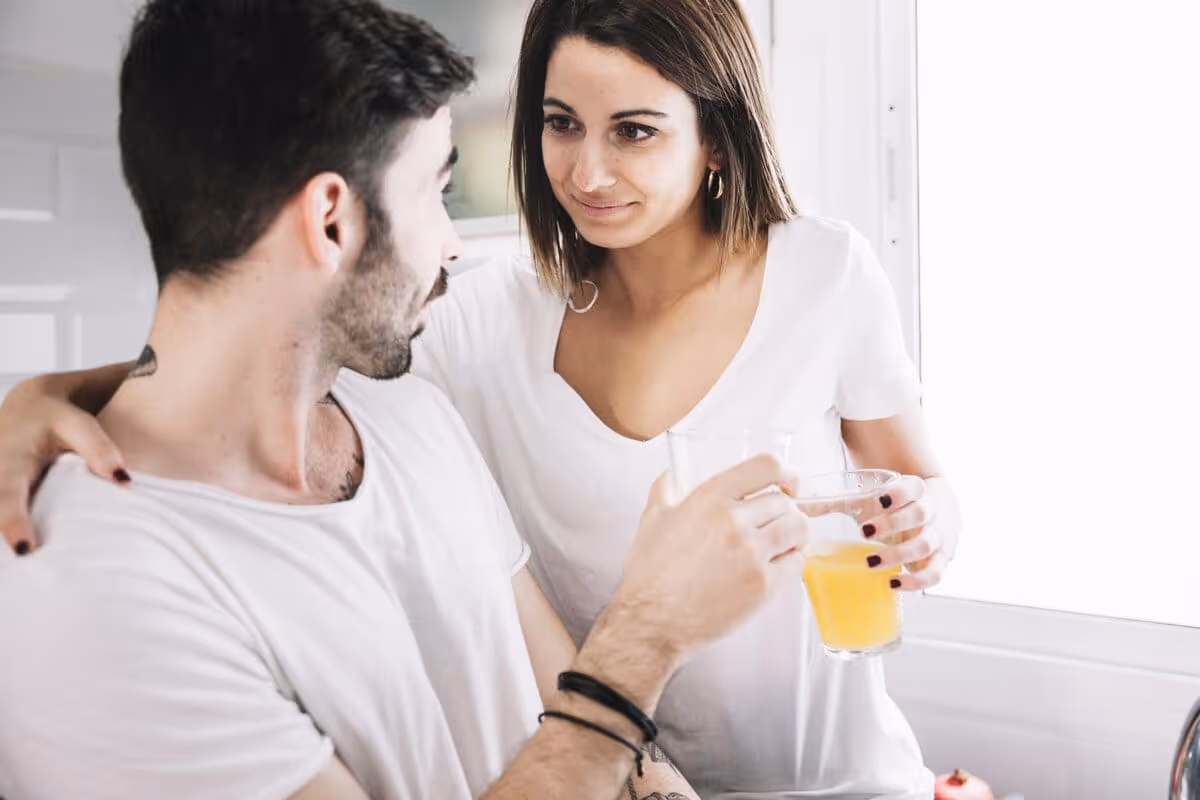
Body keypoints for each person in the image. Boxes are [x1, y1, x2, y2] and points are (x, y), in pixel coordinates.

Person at [0, 0, 964, 797]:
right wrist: (42, 397)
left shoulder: (821, 271)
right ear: (332, 218)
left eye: (635, 131)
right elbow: (242, 348)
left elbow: (917, 490)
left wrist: (925, 522)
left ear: (716, 140)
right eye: (440, 192)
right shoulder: (474, 326)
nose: (585, 173)